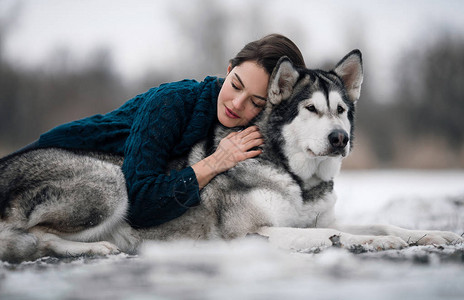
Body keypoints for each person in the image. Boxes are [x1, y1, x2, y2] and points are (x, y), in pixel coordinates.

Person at [6, 33, 306, 228]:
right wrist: (215, 162)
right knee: (111, 187)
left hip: (83, 181)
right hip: (55, 162)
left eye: (255, 102)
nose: (237, 104)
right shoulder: (172, 102)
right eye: (236, 85)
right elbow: (141, 204)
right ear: (227, 71)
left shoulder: (247, 128)